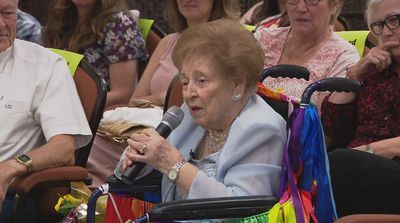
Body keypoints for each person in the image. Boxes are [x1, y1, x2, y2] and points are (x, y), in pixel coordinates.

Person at [115, 19, 286, 201]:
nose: (189, 93)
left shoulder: (262, 129)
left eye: (201, 81)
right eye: (185, 81)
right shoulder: (190, 114)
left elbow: (241, 209)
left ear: (237, 84)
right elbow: (148, 164)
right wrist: (139, 157)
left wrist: (174, 165)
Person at [86, 0, 241, 188]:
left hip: (191, 128)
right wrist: (163, 97)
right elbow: (135, 99)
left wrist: (167, 98)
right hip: (158, 124)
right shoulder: (168, 41)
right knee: (99, 138)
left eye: (200, 81)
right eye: (184, 82)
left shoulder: (229, 45)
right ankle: (102, 198)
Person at [0, 0, 92, 223]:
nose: (1, 25)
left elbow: (64, 148)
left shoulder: (45, 66)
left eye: (7, 13)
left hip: (11, 194)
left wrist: (12, 166)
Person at [322, 0, 400, 217]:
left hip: (365, 165)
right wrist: (356, 75)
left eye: (394, 20)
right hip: (354, 167)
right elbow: (330, 131)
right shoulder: (374, 70)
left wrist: (366, 152)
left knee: (340, 166)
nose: (386, 31)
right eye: (378, 25)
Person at [129, 0, 240, 107]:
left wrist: (170, 98)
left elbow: (229, 99)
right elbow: (134, 102)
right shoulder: (166, 42)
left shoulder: (229, 43)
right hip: (152, 123)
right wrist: (163, 97)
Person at [254, 0, 360, 110]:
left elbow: (323, 120)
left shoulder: (343, 56)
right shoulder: (262, 40)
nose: (301, 8)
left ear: (334, 5)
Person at [43, 0, 148, 108]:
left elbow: (123, 95)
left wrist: (67, 105)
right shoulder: (60, 20)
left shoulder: (120, 25)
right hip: (57, 104)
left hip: (99, 116)